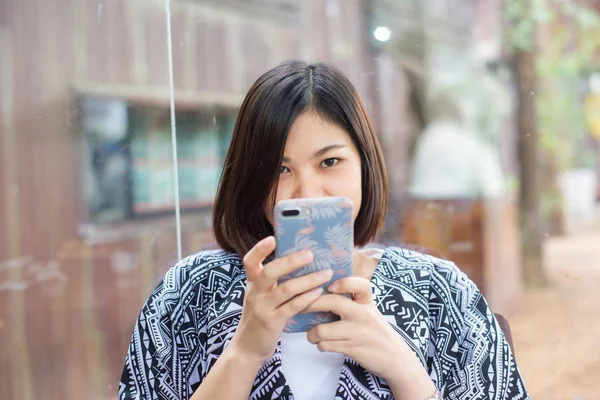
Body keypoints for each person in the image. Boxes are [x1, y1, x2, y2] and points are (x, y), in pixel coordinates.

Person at [118, 61, 529, 400]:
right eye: (280, 169)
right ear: (251, 178)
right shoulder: (189, 292)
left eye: (329, 162)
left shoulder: (441, 292)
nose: (308, 191)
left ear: (365, 165)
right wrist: (243, 352)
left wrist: (405, 371)